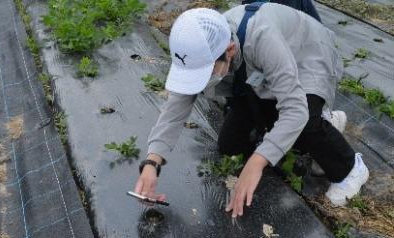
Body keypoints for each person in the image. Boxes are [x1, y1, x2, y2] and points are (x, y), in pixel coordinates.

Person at [134, 3, 369, 218]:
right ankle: (320, 129)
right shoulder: (203, 46)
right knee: (231, 144)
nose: (201, 82)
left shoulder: (261, 36)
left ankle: (349, 167)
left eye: (205, 72)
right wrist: (152, 162)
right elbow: (176, 107)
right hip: (263, 71)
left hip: (307, 57)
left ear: (229, 50)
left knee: (304, 119)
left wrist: (257, 163)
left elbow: (295, 109)